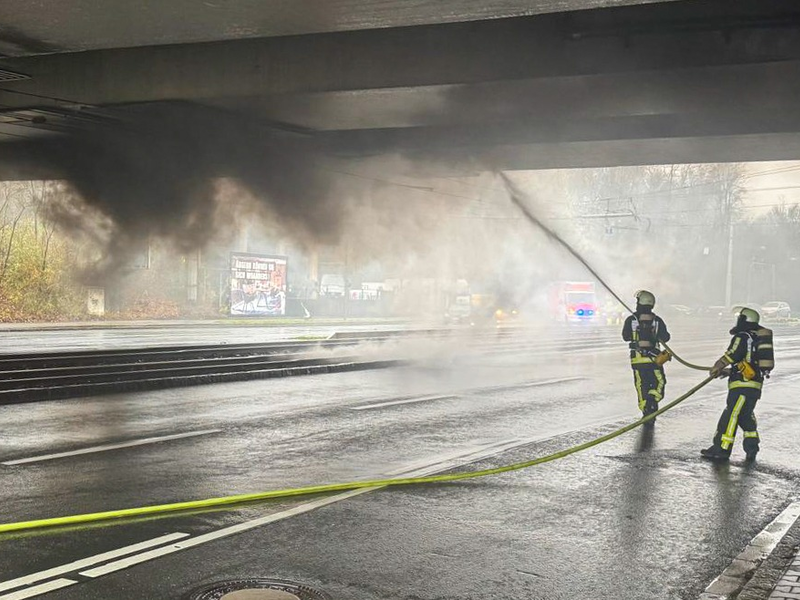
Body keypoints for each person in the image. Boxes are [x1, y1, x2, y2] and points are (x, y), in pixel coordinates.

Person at [701, 307, 764, 462]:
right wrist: (728, 372)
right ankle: (752, 447)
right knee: (745, 416)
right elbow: (748, 363)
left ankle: (721, 449)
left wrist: (718, 365)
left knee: (731, 415)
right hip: (754, 386)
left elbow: (732, 355)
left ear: (744, 320)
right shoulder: (757, 339)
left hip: (742, 386)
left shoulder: (742, 336)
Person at [622, 290, 671, 423]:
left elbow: (625, 337)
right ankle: (652, 400)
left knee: (640, 385)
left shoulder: (631, 319)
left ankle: (646, 408)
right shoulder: (657, 320)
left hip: (637, 360)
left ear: (639, 302)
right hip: (654, 360)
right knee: (659, 382)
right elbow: (665, 337)